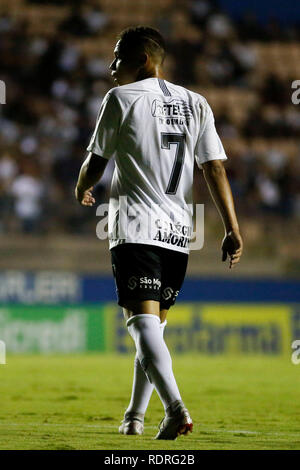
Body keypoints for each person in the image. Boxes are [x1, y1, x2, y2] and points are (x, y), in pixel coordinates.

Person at [75, 26, 243, 440]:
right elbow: (215, 167)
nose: (112, 66)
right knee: (153, 330)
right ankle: (134, 416)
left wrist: (82, 185)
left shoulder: (120, 99)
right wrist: (232, 227)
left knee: (141, 326)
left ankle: (174, 408)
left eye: (118, 57)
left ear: (144, 61)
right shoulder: (196, 102)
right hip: (180, 233)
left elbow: (97, 160)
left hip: (135, 227)